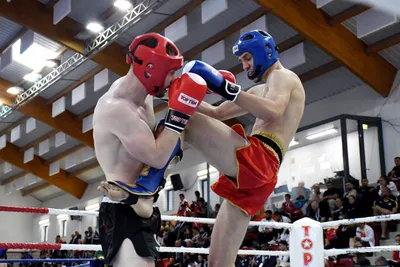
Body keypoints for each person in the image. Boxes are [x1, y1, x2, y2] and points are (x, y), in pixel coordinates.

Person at [181, 29, 305, 266]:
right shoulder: (259, 90)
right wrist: (177, 94)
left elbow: (274, 110)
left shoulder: (283, 77)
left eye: (247, 58)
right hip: (257, 177)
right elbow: (217, 112)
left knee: (189, 121)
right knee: (217, 262)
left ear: (263, 52)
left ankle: (148, 181)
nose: (245, 66)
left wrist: (225, 88)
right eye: (242, 61)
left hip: (261, 159)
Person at [93, 32, 208, 267]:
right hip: (122, 207)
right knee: (175, 127)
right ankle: (137, 195)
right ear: (152, 68)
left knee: (174, 132)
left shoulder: (143, 98)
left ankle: (141, 194)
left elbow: (162, 143)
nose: (174, 78)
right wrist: (181, 112)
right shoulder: (116, 108)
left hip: (145, 200)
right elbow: (157, 157)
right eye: (171, 71)